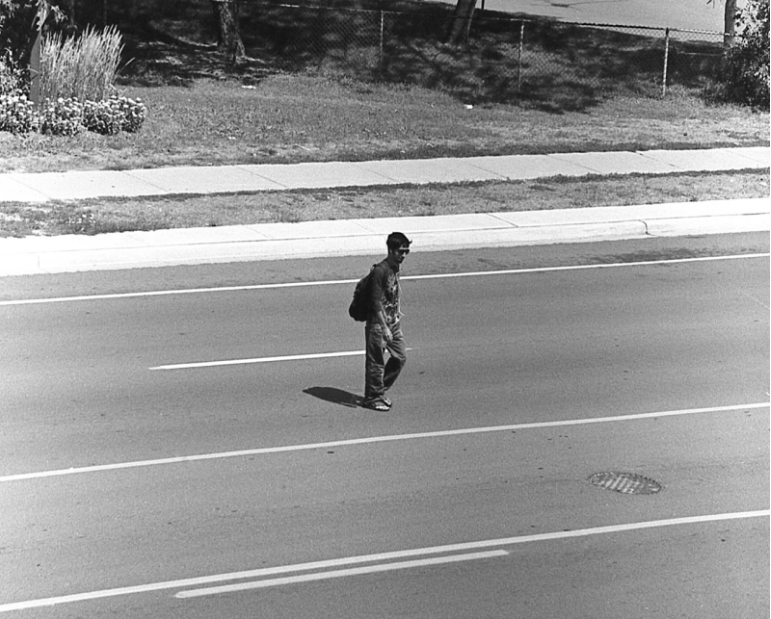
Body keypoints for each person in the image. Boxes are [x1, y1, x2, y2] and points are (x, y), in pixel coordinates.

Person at [362, 232, 412, 411]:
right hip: (379, 324)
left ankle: (379, 391)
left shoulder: (395, 268)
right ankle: (372, 398)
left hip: (393, 323)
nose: (404, 255)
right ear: (391, 250)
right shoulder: (380, 271)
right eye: (401, 251)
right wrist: (384, 327)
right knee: (376, 362)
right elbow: (375, 301)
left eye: (406, 251)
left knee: (400, 357)